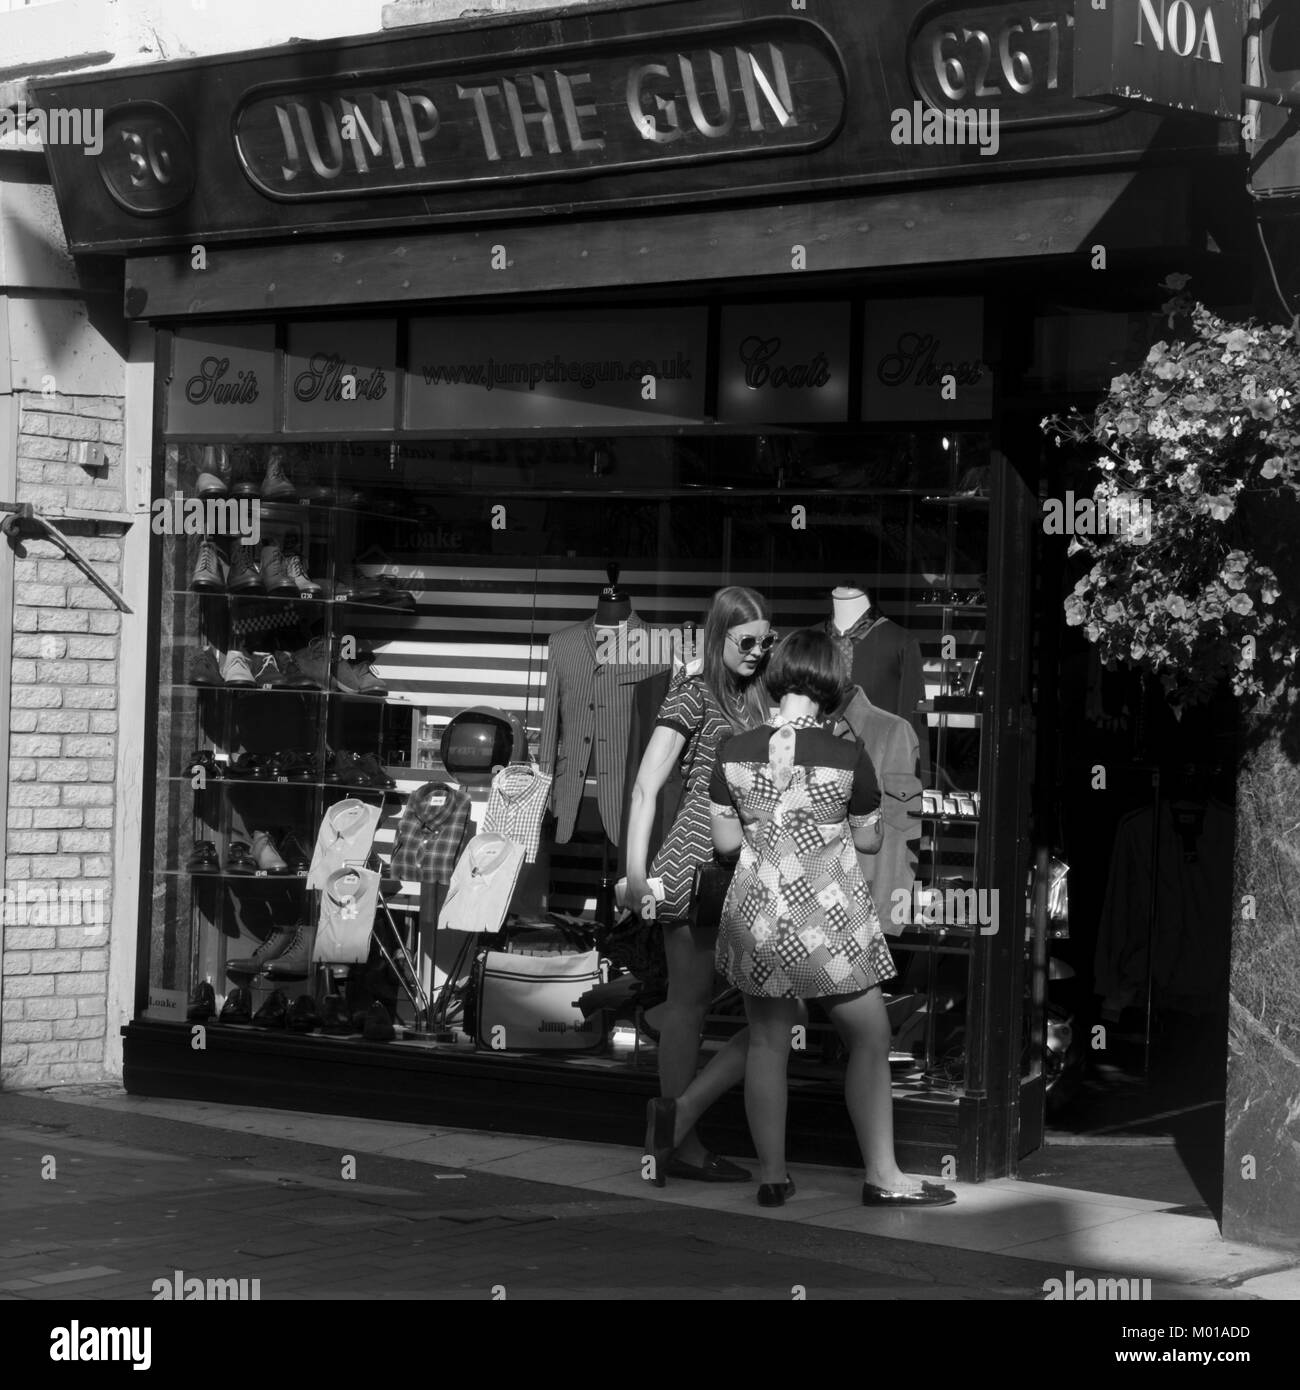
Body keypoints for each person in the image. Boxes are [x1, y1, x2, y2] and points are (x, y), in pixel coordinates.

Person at [654, 628, 956, 1208]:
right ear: (832, 685)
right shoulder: (849, 755)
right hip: (829, 920)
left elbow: (722, 841)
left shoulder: (734, 749)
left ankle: (772, 1178)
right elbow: (869, 842)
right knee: (870, 1037)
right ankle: (884, 1176)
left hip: (758, 918)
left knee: (768, 1041)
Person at [627, 585, 775, 1183]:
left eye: (767, 641)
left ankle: (676, 1125)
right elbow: (645, 786)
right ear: (720, 636)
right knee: (688, 1005)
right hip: (696, 862)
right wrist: (636, 876)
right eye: (747, 641)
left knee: (772, 1012)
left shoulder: (763, 700)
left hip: (755, 863)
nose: (759, 652)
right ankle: (677, 1146)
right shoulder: (693, 692)